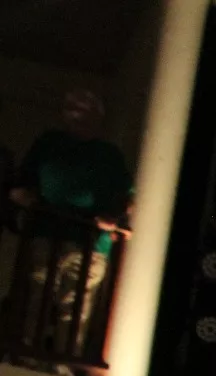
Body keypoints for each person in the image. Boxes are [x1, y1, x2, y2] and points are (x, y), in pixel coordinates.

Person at [10, 89, 132, 357]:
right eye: (71, 107)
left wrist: (112, 217)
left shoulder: (108, 155)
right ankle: (28, 355)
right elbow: (21, 185)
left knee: (75, 305)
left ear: (97, 116)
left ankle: (64, 360)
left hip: (89, 242)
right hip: (47, 234)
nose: (76, 113)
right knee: (38, 298)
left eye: (83, 108)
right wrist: (25, 198)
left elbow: (126, 197)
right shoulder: (49, 143)